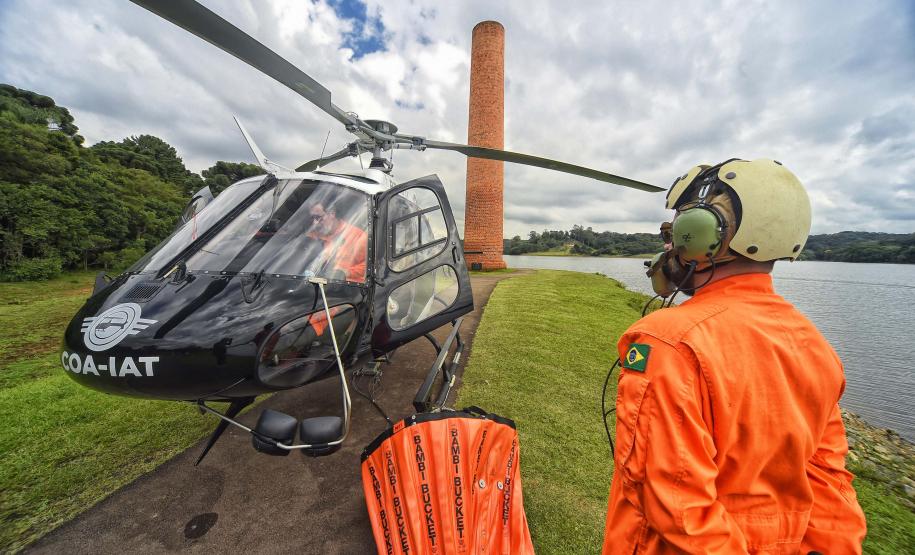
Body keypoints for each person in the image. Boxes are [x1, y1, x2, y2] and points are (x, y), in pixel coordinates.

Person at [602, 159, 867, 554]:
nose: (669, 246)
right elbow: (830, 481)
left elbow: (677, 507)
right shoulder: (816, 346)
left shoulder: (667, 343)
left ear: (703, 235)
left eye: (675, 232)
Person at [305, 196, 367, 336]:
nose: (315, 223)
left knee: (308, 326)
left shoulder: (357, 236)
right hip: (311, 290)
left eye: (318, 217)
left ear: (331, 213)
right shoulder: (313, 236)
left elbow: (369, 265)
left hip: (341, 293)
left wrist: (345, 272)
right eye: (312, 218)